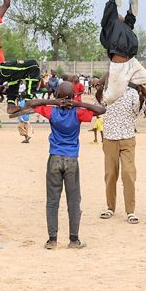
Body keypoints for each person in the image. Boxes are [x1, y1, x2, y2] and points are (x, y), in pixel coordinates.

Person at [24, 82, 105, 249]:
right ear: (73, 96)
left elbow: (30, 103)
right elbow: (101, 110)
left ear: (57, 95)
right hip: (71, 159)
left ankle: (52, 240)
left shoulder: (51, 110)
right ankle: (74, 240)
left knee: (52, 201)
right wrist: (77, 103)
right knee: (74, 201)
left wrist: (54, 102)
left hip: (54, 157)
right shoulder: (78, 112)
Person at [99, 0, 146, 106]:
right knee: (109, 99)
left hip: (132, 62)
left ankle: (140, 88)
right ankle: (99, 100)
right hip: (119, 67)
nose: (121, 15)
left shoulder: (127, 25)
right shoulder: (111, 23)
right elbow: (112, 4)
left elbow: (132, 10)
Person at [96, 78, 141, 224]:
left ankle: (130, 211)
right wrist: (102, 83)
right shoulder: (107, 92)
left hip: (127, 137)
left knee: (128, 173)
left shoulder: (133, 93)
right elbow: (100, 104)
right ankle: (110, 207)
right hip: (110, 138)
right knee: (110, 174)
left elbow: (136, 112)